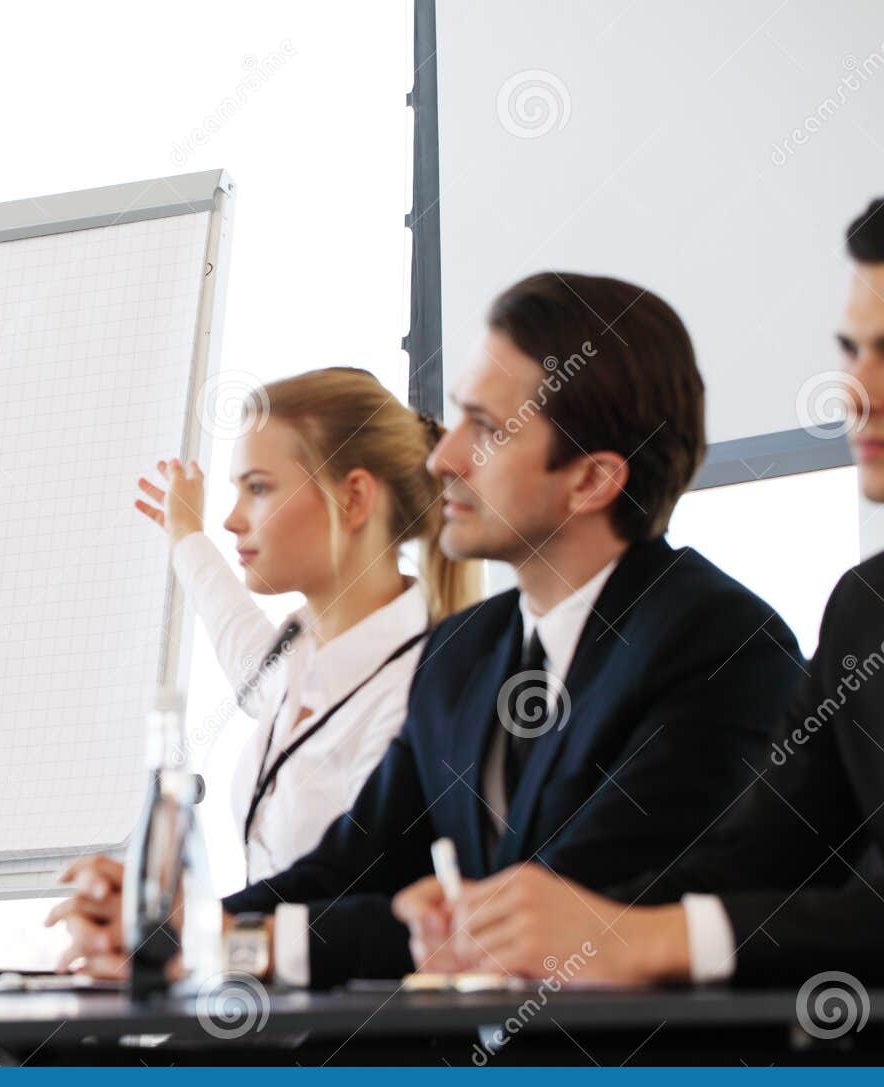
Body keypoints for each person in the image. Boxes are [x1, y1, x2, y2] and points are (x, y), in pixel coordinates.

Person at [52, 272, 801, 989]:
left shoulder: (719, 646)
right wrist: (174, 925)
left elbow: (525, 921)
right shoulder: (464, 652)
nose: (442, 457)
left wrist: (217, 946)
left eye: (486, 429)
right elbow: (349, 869)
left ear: (591, 479)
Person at [393, 198, 884, 988]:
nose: (852, 389)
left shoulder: (720, 641)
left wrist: (644, 938)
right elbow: (758, 858)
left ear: (593, 478)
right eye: (853, 351)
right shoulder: (866, 606)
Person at [127, 368, 478, 886]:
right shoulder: (298, 661)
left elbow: (355, 911)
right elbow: (241, 641)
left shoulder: (416, 697)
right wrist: (185, 536)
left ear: (354, 499)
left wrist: (197, 930)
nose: (232, 520)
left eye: (259, 488)